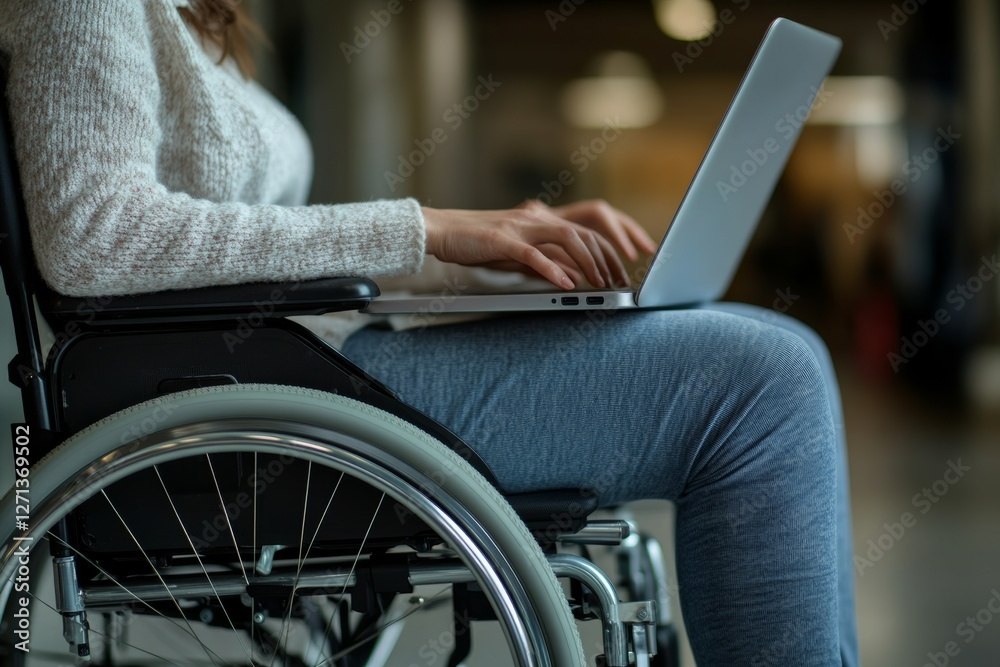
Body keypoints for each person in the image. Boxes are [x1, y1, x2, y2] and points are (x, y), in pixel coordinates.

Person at [0, 0, 860, 664]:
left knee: (768, 350)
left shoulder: (187, 13)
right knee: (762, 379)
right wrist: (428, 228)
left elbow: (253, 248)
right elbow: (94, 235)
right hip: (247, 396)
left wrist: (497, 253)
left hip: (300, 357)